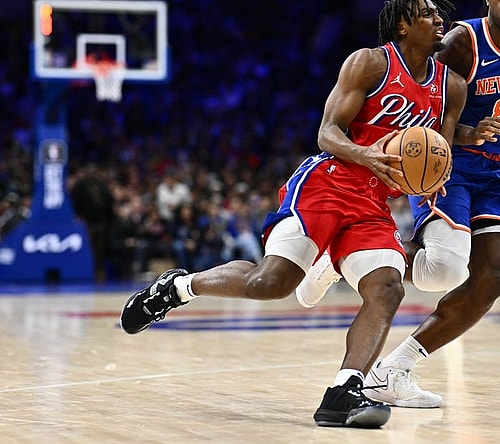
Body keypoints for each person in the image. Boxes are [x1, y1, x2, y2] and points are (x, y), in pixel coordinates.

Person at [120, 0, 467, 429]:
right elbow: (327, 131)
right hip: (327, 182)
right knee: (271, 283)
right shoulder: (369, 63)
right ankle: (180, 286)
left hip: (373, 203)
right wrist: (365, 154)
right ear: (402, 24)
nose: (440, 21)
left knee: (388, 288)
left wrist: (433, 176)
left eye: (440, 14)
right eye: (428, 13)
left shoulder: (451, 86)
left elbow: (440, 152)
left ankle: (344, 391)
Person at [297, 0, 500, 408]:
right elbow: (420, 96)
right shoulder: (460, 41)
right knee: (445, 270)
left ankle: (394, 370)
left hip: (496, 168)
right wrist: (453, 139)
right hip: (444, 160)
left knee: (497, 274)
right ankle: (345, 258)